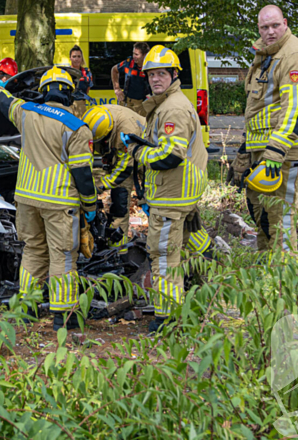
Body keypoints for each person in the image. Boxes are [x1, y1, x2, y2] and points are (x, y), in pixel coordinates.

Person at [0, 67, 97, 333]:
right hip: (59, 202)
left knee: (33, 250)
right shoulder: (77, 127)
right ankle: (63, 315)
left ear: (43, 91)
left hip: (26, 199)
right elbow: (83, 174)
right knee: (62, 256)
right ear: (69, 94)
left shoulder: (25, 112)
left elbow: (2, 100)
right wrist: (91, 206)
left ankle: (26, 308)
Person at [123, 45, 209, 334]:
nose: (155, 79)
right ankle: (207, 291)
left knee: (163, 256)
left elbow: (170, 156)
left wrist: (137, 152)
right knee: (188, 247)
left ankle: (167, 319)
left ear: (174, 75)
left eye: (162, 74)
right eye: (151, 74)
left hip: (172, 196)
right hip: (179, 194)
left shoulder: (172, 108)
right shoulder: (166, 103)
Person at [230, 4, 298, 256]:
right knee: (262, 212)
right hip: (264, 149)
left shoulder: (293, 54)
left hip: (285, 151)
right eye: (264, 27)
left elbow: (295, 108)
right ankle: (268, 269)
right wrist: (246, 149)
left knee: (281, 213)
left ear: (285, 23)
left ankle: (285, 276)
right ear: (258, 28)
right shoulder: (266, 53)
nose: (270, 31)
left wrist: (275, 151)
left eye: (275, 25)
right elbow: (259, 108)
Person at [83, 104, 144, 246]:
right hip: (123, 158)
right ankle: (118, 250)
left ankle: (119, 251)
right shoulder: (95, 117)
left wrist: (101, 185)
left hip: (144, 159)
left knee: (122, 203)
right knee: (118, 205)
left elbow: (124, 168)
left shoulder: (127, 131)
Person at [110, 41, 151, 115]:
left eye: (136, 54)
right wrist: (117, 88)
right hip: (127, 102)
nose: (134, 56)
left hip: (142, 104)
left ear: (145, 55)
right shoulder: (128, 63)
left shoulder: (150, 67)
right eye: (133, 53)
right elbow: (114, 70)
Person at [69, 45, 93, 118]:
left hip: (81, 105)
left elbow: (88, 89)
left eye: (79, 56)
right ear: (70, 58)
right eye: (74, 56)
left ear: (82, 58)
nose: (77, 59)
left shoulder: (87, 72)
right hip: (68, 105)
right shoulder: (66, 73)